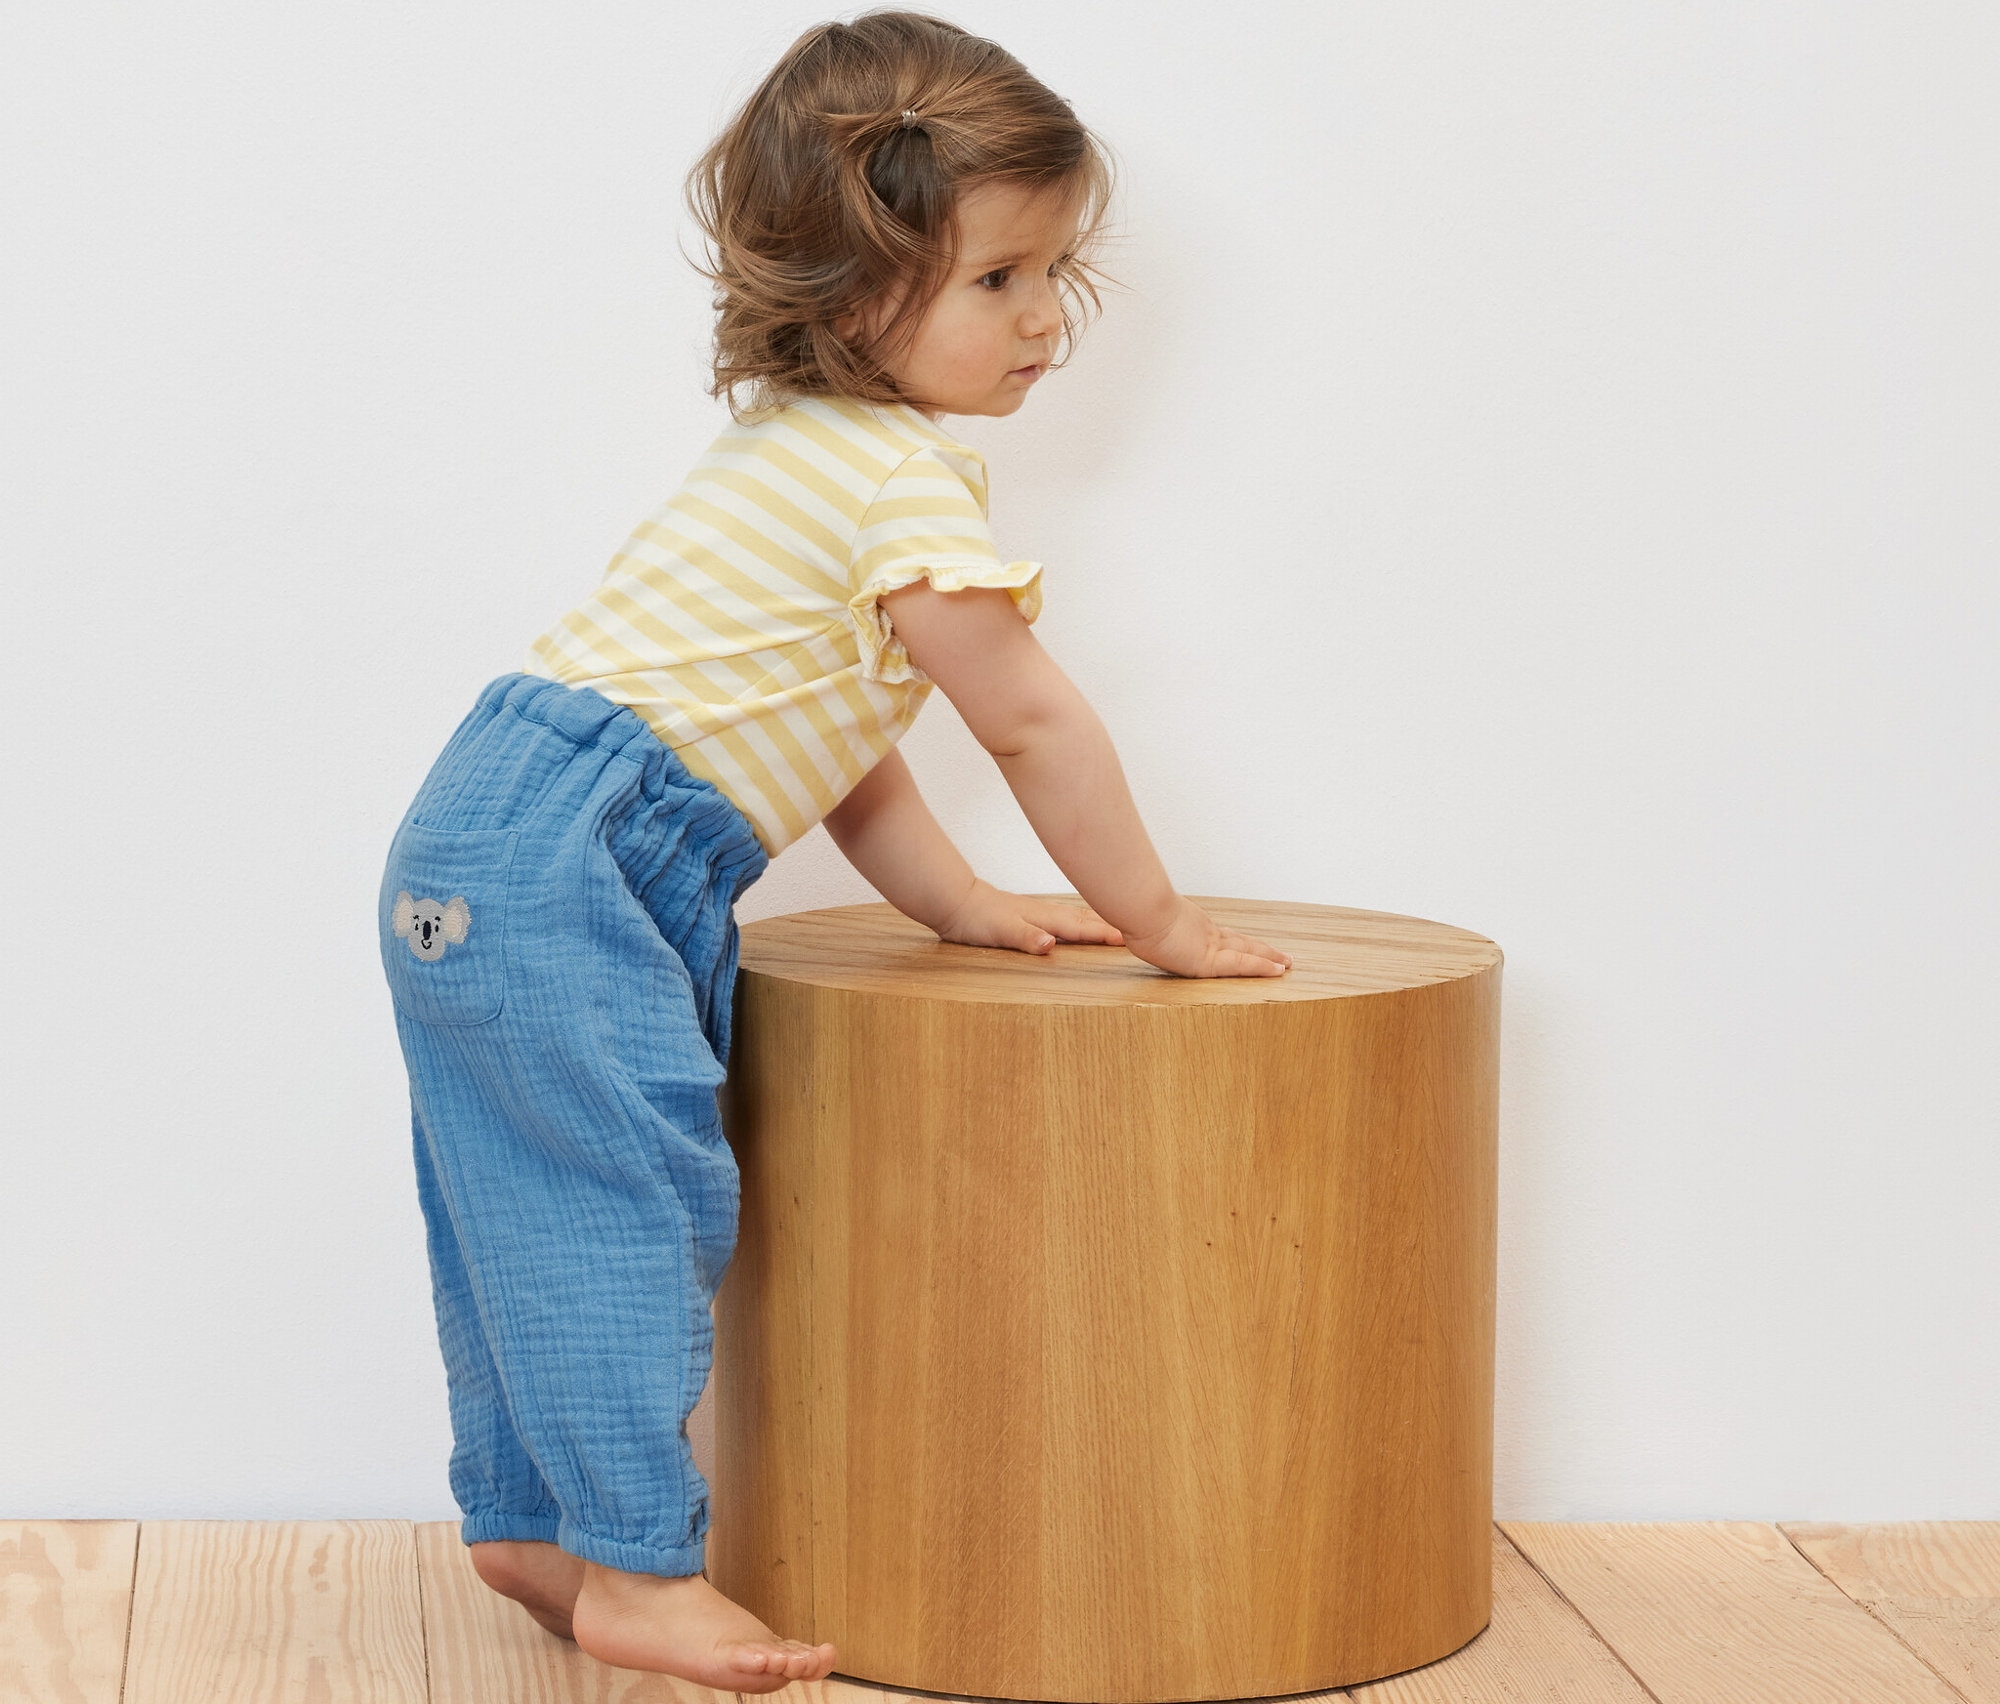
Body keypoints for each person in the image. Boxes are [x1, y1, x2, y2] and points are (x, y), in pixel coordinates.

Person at [378, 8, 1292, 1688]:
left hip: (486, 830)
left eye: (1054, 278)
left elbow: (847, 759)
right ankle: (646, 1574)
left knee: (522, 1194)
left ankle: (530, 1523)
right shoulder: (897, 484)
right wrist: (1158, 920)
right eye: (1000, 279)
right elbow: (1028, 719)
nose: (1045, 325)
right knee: (634, 1198)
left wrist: (962, 905)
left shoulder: (788, 459)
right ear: (856, 290)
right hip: (581, 854)